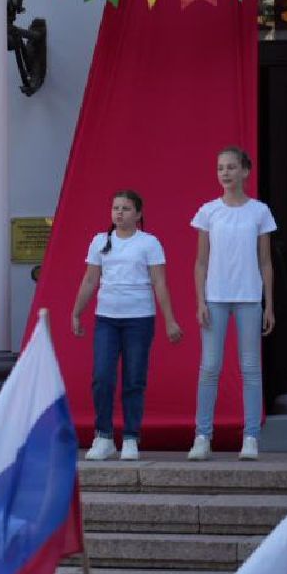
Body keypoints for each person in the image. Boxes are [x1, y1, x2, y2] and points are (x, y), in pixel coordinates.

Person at [70, 190, 182, 461]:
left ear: (138, 214)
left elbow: (159, 282)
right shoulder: (100, 241)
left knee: (134, 379)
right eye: (115, 208)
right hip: (107, 318)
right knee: (102, 377)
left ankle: (131, 437)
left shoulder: (149, 243)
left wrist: (170, 320)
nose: (119, 213)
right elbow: (89, 280)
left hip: (139, 319)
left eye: (126, 208)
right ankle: (104, 436)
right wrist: (76, 312)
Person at [188, 146, 277, 461]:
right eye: (220, 168)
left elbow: (265, 262)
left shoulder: (259, 212)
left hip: (249, 297)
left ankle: (250, 436)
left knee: (251, 368)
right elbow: (200, 262)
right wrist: (200, 300)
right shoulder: (208, 212)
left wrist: (269, 305)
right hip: (215, 298)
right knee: (210, 367)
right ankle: (202, 436)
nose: (225, 173)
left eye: (231, 167)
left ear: (245, 171)